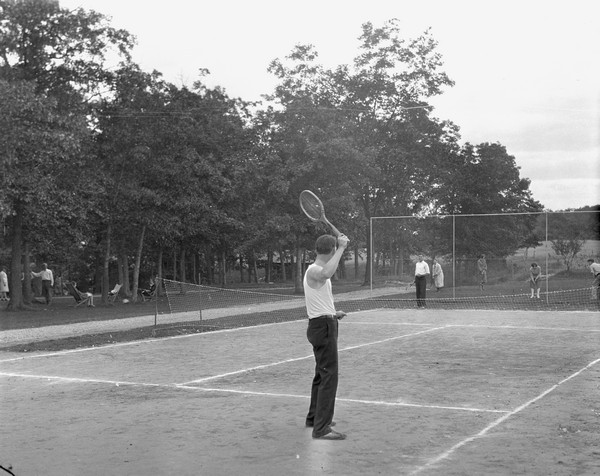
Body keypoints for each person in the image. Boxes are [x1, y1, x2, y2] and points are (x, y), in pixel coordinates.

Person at [303, 233, 350, 440]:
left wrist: (333, 312)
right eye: (334, 250)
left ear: (316, 249)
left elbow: (320, 298)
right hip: (322, 327)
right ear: (331, 251)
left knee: (321, 374)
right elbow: (327, 274)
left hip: (324, 322)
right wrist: (341, 247)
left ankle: (315, 418)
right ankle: (321, 429)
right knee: (329, 376)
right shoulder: (315, 271)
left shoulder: (317, 271)